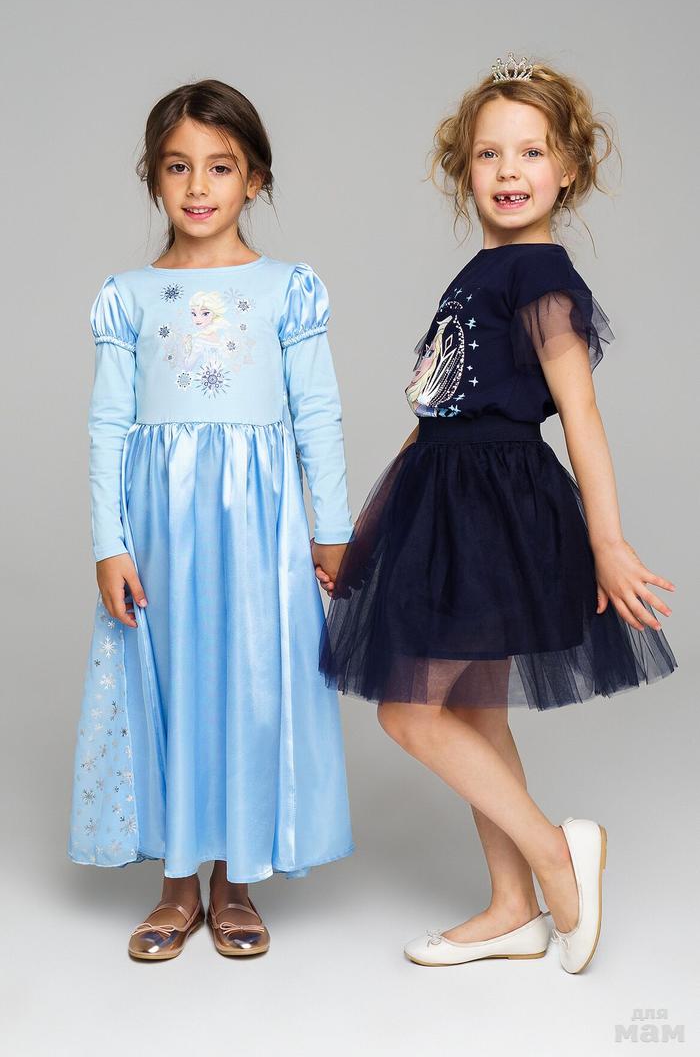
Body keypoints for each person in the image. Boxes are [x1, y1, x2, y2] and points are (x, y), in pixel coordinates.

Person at [318, 52, 678, 973]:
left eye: (532, 151)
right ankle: (514, 908)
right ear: (462, 168)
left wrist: (606, 540)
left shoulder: (540, 275)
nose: (509, 171)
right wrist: (367, 538)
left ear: (569, 169)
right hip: (443, 500)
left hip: (493, 509)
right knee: (476, 715)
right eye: (489, 153)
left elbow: (581, 411)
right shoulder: (480, 273)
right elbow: (437, 412)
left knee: (410, 713)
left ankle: (558, 855)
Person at [68, 79, 355, 961]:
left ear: (255, 178)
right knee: (172, 683)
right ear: (152, 178)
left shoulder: (287, 289)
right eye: (178, 166)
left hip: (260, 530)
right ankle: (176, 884)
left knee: (249, 683)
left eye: (220, 167)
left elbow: (317, 413)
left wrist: (333, 527)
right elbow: (108, 425)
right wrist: (109, 541)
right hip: (161, 528)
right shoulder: (128, 295)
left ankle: (235, 881)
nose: (198, 186)